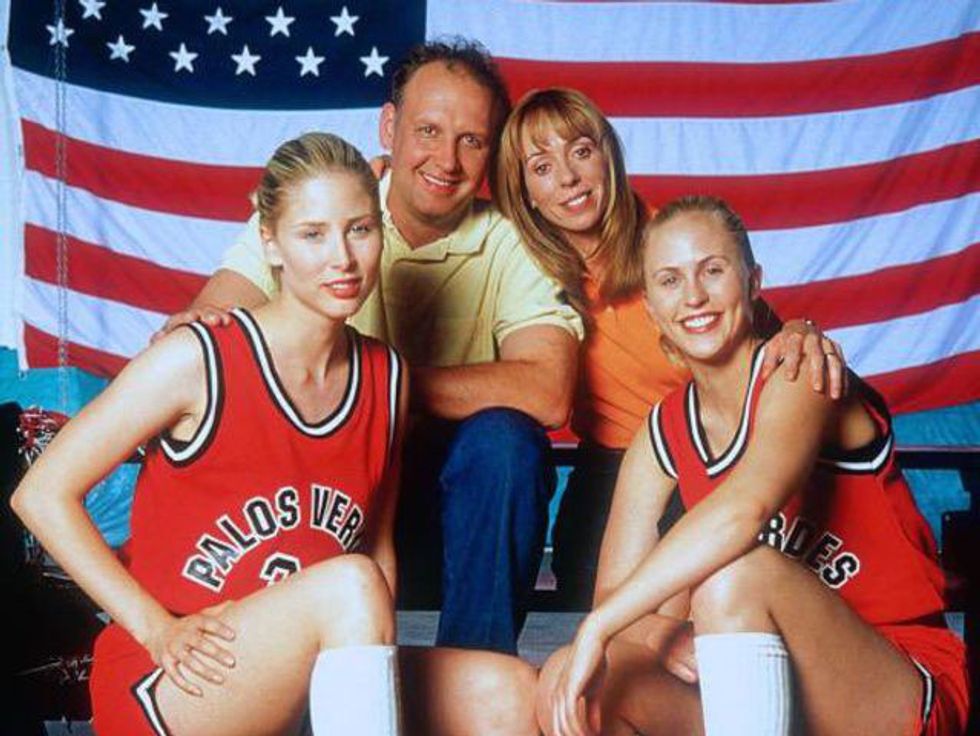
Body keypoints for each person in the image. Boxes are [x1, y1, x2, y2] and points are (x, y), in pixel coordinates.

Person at [11, 132, 537, 736]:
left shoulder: (387, 377)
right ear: (270, 242)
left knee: (510, 693)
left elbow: (378, 550)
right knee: (349, 584)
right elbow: (40, 494)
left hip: (317, 656)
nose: (342, 258)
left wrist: (372, 681)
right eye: (312, 234)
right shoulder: (200, 358)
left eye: (360, 230)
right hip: (178, 676)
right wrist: (155, 628)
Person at [159, 40, 583, 656]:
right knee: (261, 405)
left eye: (471, 140)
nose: (447, 159)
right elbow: (213, 327)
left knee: (505, 441)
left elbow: (548, 391)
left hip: (448, 506)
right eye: (428, 131)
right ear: (389, 127)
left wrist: (373, 382)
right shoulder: (325, 203)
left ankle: (475, 671)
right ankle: (270, 664)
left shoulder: (512, 239)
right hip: (319, 489)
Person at [538, 195, 968, 736]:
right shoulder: (662, 432)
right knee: (574, 682)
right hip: (766, 678)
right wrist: (655, 634)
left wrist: (598, 627)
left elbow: (745, 510)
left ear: (753, 281)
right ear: (650, 307)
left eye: (713, 270)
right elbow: (614, 597)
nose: (693, 296)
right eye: (669, 280)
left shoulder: (800, 371)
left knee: (732, 574)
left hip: (896, 673)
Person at [493, 87, 847, 605]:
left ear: (608, 157)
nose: (568, 177)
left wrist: (801, 329)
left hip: (713, 458)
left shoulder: (672, 245)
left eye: (581, 152)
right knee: (596, 607)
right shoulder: (520, 265)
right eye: (542, 167)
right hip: (613, 470)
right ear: (524, 191)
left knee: (698, 610)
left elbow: (763, 332)